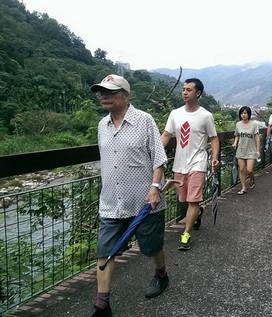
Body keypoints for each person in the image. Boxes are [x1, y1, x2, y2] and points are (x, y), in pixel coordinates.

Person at [90, 74, 169, 317]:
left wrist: (155, 188)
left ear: (125, 95)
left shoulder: (144, 121)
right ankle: (102, 305)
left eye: (111, 92)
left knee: (151, 246)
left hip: (144, 202)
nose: (104, 96)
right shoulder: (102, 125)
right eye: (102, 92)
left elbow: (159, 158)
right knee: (105, 251)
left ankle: (161, 275)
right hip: (111, 202)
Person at [161, 78, 219, 251]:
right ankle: (198, 213)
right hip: (179, 163)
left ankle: (186, 234)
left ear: (198, 93)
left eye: (188, 90)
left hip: (198, 162)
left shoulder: (206, 116)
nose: (184, 92)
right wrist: (155, 151)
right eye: (183, 89)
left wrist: (215, 156)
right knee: (184, 200)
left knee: (193, 200)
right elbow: (166, 135)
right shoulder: (175, 114)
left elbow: (214, 138)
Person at [232, 106, 260, 194]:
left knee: (249, 170)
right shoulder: (238, 124)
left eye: (245, 113)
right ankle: (243, 187)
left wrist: (258, 150)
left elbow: (257, 138)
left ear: (249, 114)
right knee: (241, 169)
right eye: (242, 113)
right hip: (241, 149)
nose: (243, 115)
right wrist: (235, 143)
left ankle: (251, 177)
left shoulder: (254, 124)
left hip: (251, 150)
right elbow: (237, 135)